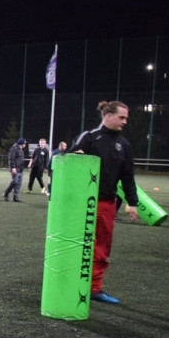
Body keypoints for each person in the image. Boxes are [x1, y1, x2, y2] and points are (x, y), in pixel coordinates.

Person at [69, 101, 138, 304]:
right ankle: (71, 282)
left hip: (108, 203)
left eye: (126, 118)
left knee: (102, 247)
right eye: (121, 117)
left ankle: (95, 288)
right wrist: (74, 156)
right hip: (82, 202)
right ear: (108, 116)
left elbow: (128, 176)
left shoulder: (124, 144)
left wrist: (132, 202)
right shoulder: (89, 137)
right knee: (76, 243)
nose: (125, 122)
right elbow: (67, 164)